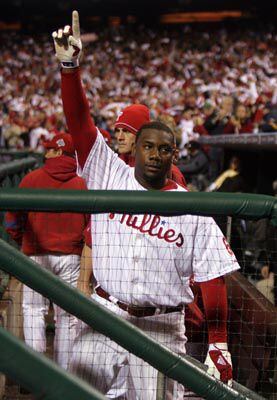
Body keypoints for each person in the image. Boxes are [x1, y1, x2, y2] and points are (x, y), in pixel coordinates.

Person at [52, 12, 239, 398]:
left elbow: (212, 277)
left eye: (164, 149)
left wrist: (219, 341)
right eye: (148, 147)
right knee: (70, 390)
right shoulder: (110, 174)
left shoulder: (192, 209)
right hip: (103, 316)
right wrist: (70, 69)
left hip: (161, 327)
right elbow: (80, 123)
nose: (155, 155)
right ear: (135, 149)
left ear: (175, 155)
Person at [5, 132, 88, 370]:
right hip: (70, 257)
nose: (46, 153)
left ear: (59, 152)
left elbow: (11, 222)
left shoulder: (31, 179)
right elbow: (87, 224)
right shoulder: (80, 183)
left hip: (35, 255)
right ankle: (63, 373)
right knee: (67, 316)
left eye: (50, 149)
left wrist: (24, 240)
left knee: (32, 310)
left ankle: (36, 370)